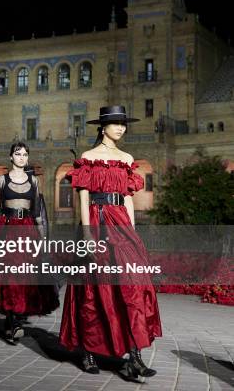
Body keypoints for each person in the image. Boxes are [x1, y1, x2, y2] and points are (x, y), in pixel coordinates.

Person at [58, 106, 162, 379]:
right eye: (115, 123)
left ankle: (135, 355)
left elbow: (127, 197)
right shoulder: (88, 158)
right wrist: (89, 234)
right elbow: (83, 197)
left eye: (123, 123)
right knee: (93, 288)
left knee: (131, 287)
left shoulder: (127, 158)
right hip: (96, 220)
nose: (121, 128)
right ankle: (89, 351)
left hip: (121, 224)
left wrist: (134, 234)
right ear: (102, 127)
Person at [0, 142, 60, 345]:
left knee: (25, 276)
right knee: (8, 277)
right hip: (6, 229)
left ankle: (14, 321)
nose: (22, 157)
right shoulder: (1, 180)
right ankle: (13, 322)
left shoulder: (34, 181)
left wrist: (44, 239)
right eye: (18, 154)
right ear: (11, 157)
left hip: (27, 230)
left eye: (25, 154)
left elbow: (36, 213)